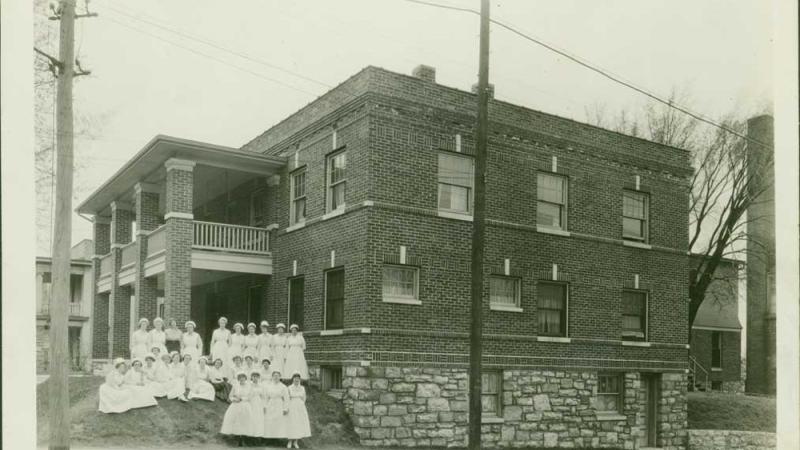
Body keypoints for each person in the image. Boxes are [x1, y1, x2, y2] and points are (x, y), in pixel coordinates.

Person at [220, 372, 253, 446]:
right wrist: (234, 399)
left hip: (245, 405)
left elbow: (250, 397)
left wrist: (242, 399)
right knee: (235, 420)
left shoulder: (249, 387)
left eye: (243, 378)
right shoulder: (235, 386)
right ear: (238, 379)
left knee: (244, 421)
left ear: (245, 379)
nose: (242, 379)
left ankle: (243, 439)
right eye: (240, 378)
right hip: (236, 405)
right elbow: (230, 396)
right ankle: (237, 439)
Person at [285, 372, 311, 448]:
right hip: (291, 406)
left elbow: (304, 398)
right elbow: (287, 398)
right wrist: (287, 407)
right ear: (292, 379)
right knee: (291, 423)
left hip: (300, 407)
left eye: (298, 379)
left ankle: (296, 442)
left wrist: (301, 405)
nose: (296, 380)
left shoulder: (302, 388)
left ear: (299, 380)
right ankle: (289, 441)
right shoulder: (289, 388)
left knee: (299, 423)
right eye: (295, 378)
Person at [262, 370, 289, 441]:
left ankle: (277, 439)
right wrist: (264, 406)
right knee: (270, 420)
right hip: (270, 404)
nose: (276, 377)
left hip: (279, 404)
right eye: (274, 376)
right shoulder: (268, 386)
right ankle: (269, 438)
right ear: (272, 377)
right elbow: (265, 397)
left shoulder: (283, 387)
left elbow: (286, 399)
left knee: (278, 420)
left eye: (277, 376)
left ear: (280, 377)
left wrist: (285, 408)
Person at [247, 372, 265, 440]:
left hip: (259, 403)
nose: (255, 378)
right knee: (251, 417)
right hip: (251, 402)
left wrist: (264, 405)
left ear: (258, 378)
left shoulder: (261, 385)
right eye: (254, 377)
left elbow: (263, 396)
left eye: (256, 377)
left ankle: (258, 435)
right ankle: (250, 435)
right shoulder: (249, 385)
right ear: (251, 377)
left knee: (258, 418)